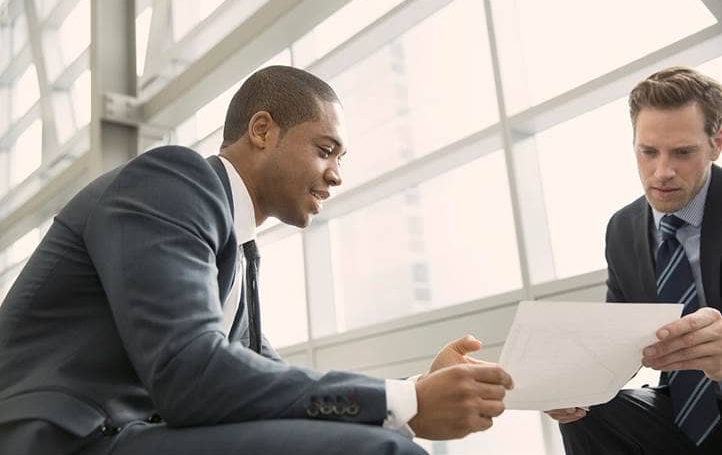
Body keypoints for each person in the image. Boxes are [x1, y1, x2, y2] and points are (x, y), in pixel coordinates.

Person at [0, 66, 513, 455]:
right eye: (326, 149)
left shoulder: (238, 251)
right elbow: (191, 374)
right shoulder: (172, 181)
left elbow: (260, 379)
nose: (336, 175)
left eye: (341, 159)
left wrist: (412, 393)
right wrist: (407, 404)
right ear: (262, 130)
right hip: (67, 440)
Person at [547, 67, 722, 454]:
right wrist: (573, 384)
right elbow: (618, 339)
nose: (662, 171)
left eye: (682, 152)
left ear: (716, 144)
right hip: (679, 409)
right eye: (648, 152)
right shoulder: (622, 229)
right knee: (585, 409)